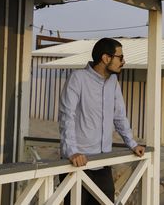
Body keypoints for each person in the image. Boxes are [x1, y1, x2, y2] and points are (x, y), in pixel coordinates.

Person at [59, 37, 145, 204]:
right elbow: (66, 116)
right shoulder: (78, 78)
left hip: (103, 163)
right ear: (106, 58)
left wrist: (132, 144)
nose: (123, 61)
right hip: (77, 164)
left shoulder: (113, 81)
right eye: (120, 57)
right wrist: (72, 152)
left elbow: (119, 116)